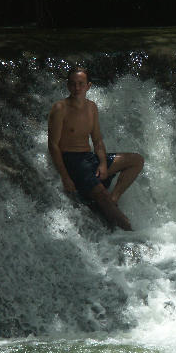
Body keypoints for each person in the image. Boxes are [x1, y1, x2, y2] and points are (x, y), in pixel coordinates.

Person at [48, 67, 144, 231]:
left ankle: (114, 199)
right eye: (73, 84)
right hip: (73, 162)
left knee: (136, 160)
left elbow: (97, 140)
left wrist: (103, 164)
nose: (77, 88)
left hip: (89, 158)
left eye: (81, 84)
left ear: (88, 86)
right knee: (102, 197)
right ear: (67, 85)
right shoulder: (60, 108)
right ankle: (131, 234)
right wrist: (65, 177)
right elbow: (53, 145)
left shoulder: (92, 107)